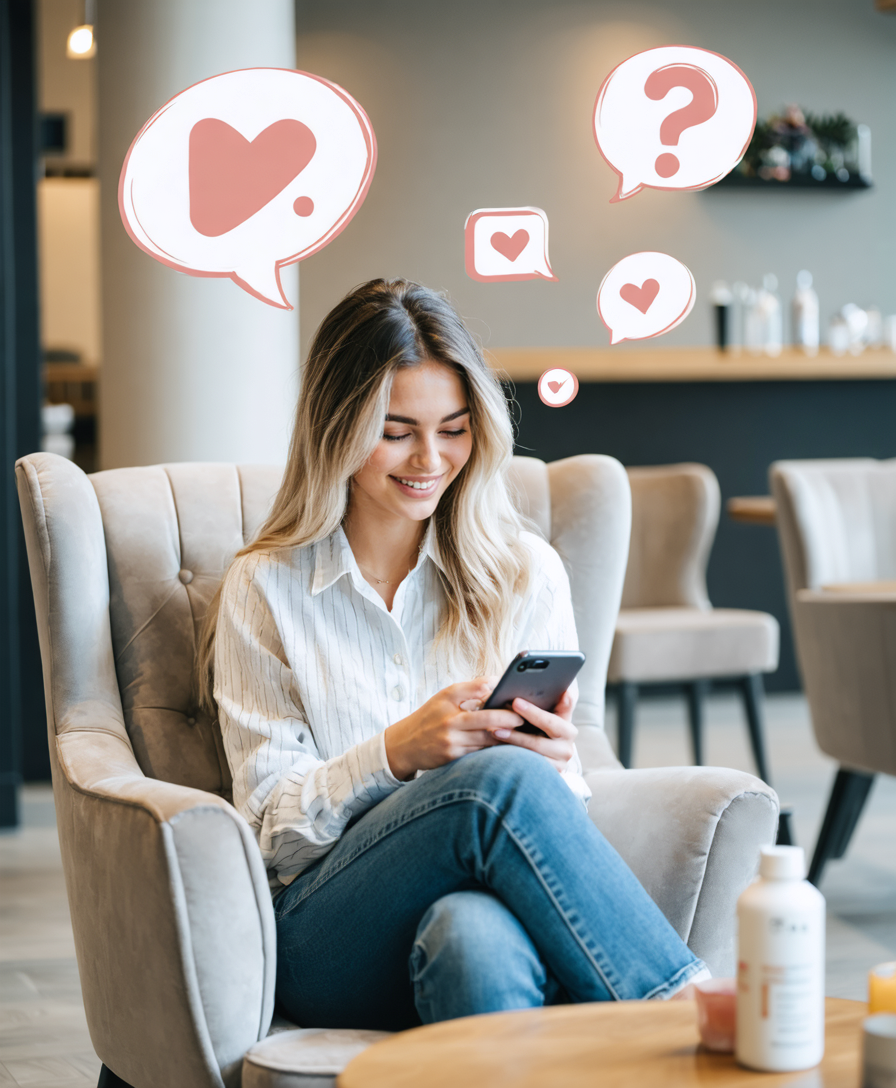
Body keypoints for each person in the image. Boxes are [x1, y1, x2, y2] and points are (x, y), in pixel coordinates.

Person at [198, 278, 709, 1031]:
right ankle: (685, 1025)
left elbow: (553, 812)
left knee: (475, 943)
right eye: (396, 430)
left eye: (454, 428)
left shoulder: (524, 572)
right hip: (323, 932)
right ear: (337, 428)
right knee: (489, 785)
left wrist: (558, 763)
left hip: (474, 903)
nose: (430, 459)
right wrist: (397, 752)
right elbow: (271, 833)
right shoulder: (264, 588)